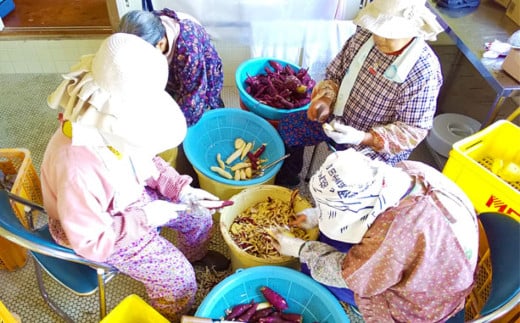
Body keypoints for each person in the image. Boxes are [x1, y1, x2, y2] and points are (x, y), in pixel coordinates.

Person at [41, 33, 229, 322]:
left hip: (124, 195)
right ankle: (173, 309)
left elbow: (145, 160)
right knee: (178, 280)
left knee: (199, 217)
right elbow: (93, 240)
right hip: (100, 228)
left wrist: (179, 190)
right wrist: (146, 217)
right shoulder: (79, 169)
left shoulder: (107, 124)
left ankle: (196, 257)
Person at [272, 149, 478, 322]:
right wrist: (319, 215)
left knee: (313, 265)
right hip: (436, 254)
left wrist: (298, 248)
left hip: (422, 302)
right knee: (327, 241)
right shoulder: (406, 172)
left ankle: (358, 307)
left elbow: (347, 275)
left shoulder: (394, 234)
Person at [275, 0, 444, 187]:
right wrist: (325, 98)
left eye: (388, 35)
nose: (379, 39)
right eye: (376, 30)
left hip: (376, 145)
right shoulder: (364, 36)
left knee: (348, 184)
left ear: (412, 31)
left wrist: (361, 137)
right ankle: (287, 182)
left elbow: (412, 131)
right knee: (287, 128)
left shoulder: (423, 72)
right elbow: (335, 74)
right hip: (337, 118)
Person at [118, 9, 224, 181]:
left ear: (160, 44)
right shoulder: (145, 28)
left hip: (201, 76)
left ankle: (199, 163)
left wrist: (163, 132)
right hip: (173, 72)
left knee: (202, 116)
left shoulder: (188, 48)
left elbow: (193, 102)